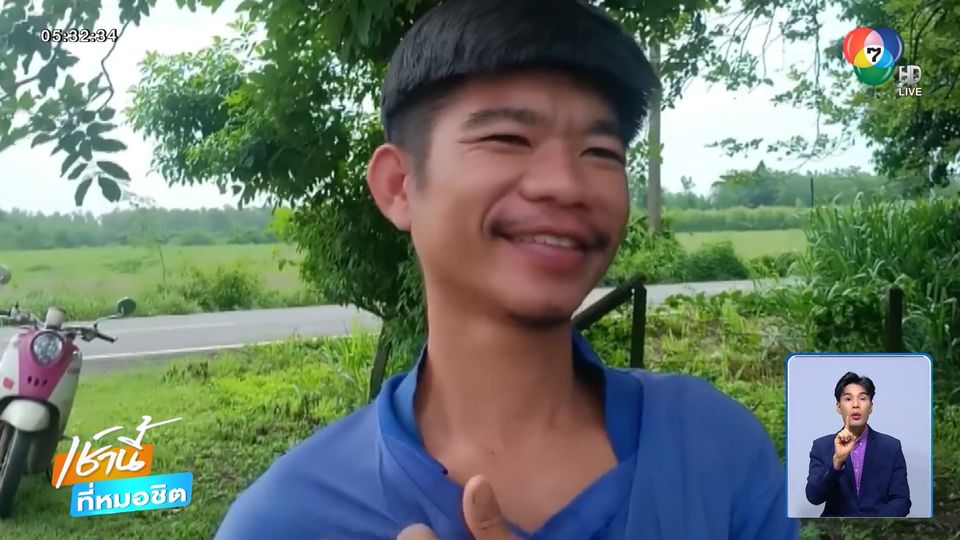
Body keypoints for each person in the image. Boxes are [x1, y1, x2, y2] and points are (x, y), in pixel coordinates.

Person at [213, 1, 798, 538]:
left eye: (600, 152)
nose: (565, 185)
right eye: (508, 138)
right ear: (399, 186)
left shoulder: (716, 451)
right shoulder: (288, 521)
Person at [804, 371, 911, 517]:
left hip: (877, 527)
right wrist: (837, 462)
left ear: (870, 406)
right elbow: (813, 497)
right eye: (848, 399)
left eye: (862, 398)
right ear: (838, 406)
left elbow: (901, 501)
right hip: (838, 527)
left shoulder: (891, 447)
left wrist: (872, 523)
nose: (855, 405)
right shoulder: (821, 446)